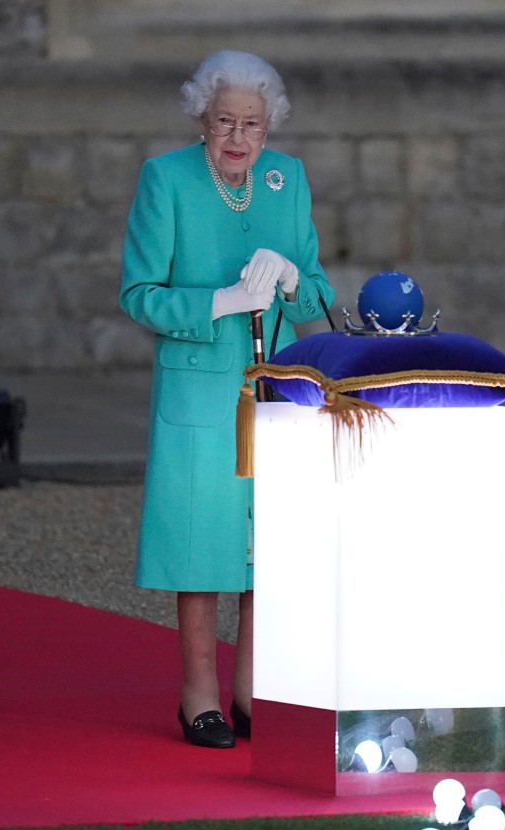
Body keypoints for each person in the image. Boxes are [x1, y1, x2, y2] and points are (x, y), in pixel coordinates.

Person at [120, 50, 335, 748]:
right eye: (225, 122)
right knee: (202, 544)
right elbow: (139, 293)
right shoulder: (167, 179)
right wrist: (222, 300)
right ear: (202, 120)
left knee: (263, 544)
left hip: (275, 390)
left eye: (253, 125)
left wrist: (294, 280)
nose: (239, 138)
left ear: (268, 129)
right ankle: (199, 696)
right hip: (199, 393)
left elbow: (322, 294)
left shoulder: (287, 180)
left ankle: (253, 691)